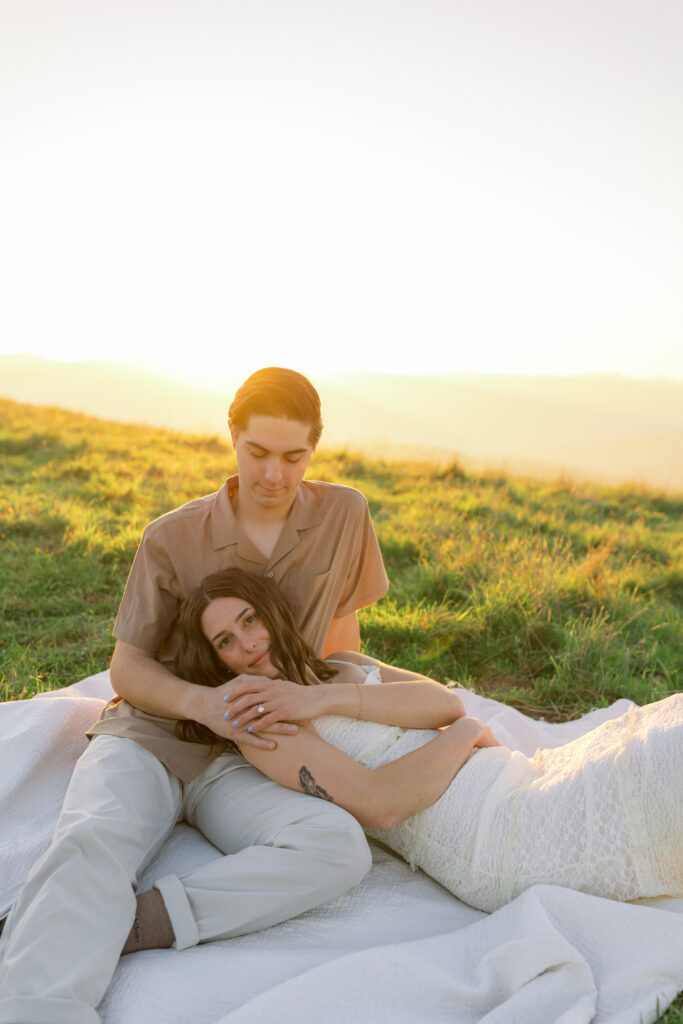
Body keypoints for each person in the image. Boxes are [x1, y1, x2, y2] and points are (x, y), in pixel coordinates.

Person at [0, 368, 388, 1024]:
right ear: (232, 439)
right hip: (155, 734)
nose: (274, 474)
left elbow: (341, 636)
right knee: (91, 840)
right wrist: (203, 705)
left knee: (338, 848)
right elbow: (128, 666)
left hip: (255, 754)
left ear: (314, 450)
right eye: (257, 453)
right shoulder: (172, 535)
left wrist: (351, 707)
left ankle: (133, 923)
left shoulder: (345, 514)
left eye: (294, 457)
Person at [177, 568, 683, 914]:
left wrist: (322, 699)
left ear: (270, 610)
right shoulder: (264, 728)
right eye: (225, 641)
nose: (247, 643)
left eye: (250, 619)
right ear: (218, 661)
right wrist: (464, 736)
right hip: (500, 836)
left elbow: (442, 703)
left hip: (525, 778)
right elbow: (381, 804)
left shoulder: (344, 666)